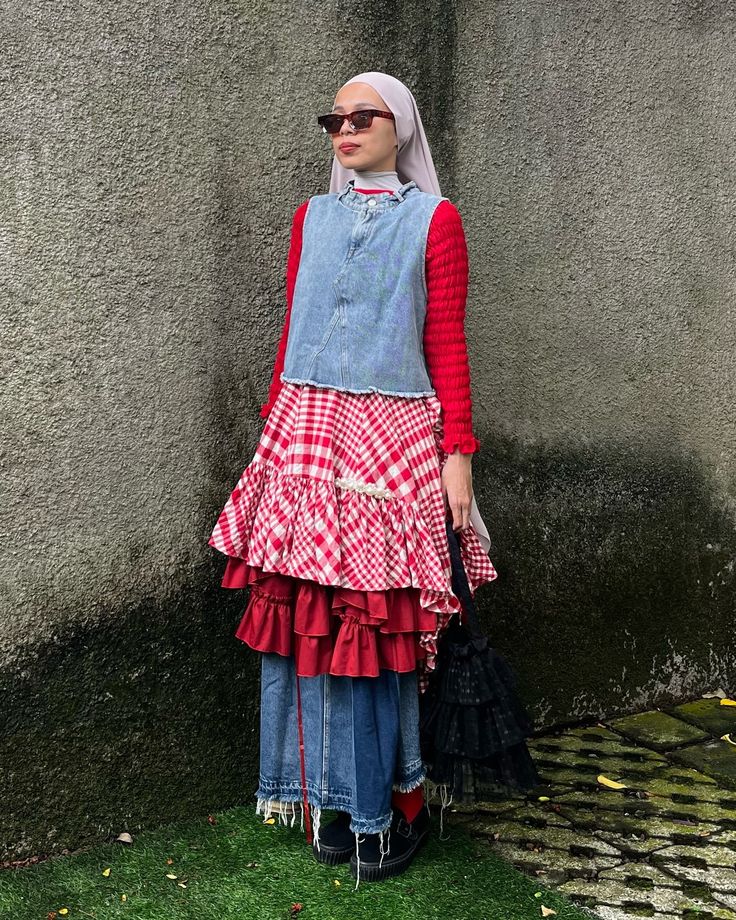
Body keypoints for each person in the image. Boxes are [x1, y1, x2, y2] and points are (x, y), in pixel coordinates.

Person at [208, 71, 499, 885]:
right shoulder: (313, 217)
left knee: (380, 628)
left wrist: (459, 451)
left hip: (393, 440)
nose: (344, 130)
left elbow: (446, 340)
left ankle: (391, 808)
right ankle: (327, 801)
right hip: (305, 439)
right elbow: (294, 329)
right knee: (309, 622)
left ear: (398, 125)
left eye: (360, 117)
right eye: (333, 119)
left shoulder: (435, 222)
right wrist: (273, 432)